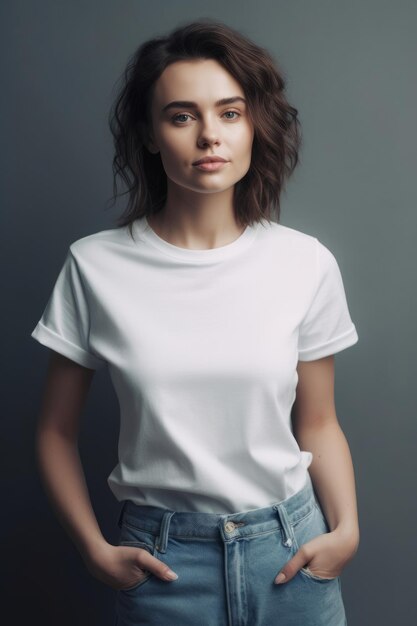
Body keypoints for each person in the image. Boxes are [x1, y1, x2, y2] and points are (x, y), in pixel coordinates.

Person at [31, 19, 360, 626]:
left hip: (291, 554)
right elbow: (54, 431)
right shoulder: (94, 265)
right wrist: (94, 550)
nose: (210, 135)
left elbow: (319, 421)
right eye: (181, 116)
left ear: (254, 125)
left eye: (230, 113)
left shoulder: (305, 262)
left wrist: (347, 531)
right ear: (151, 136)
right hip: (164, 567)